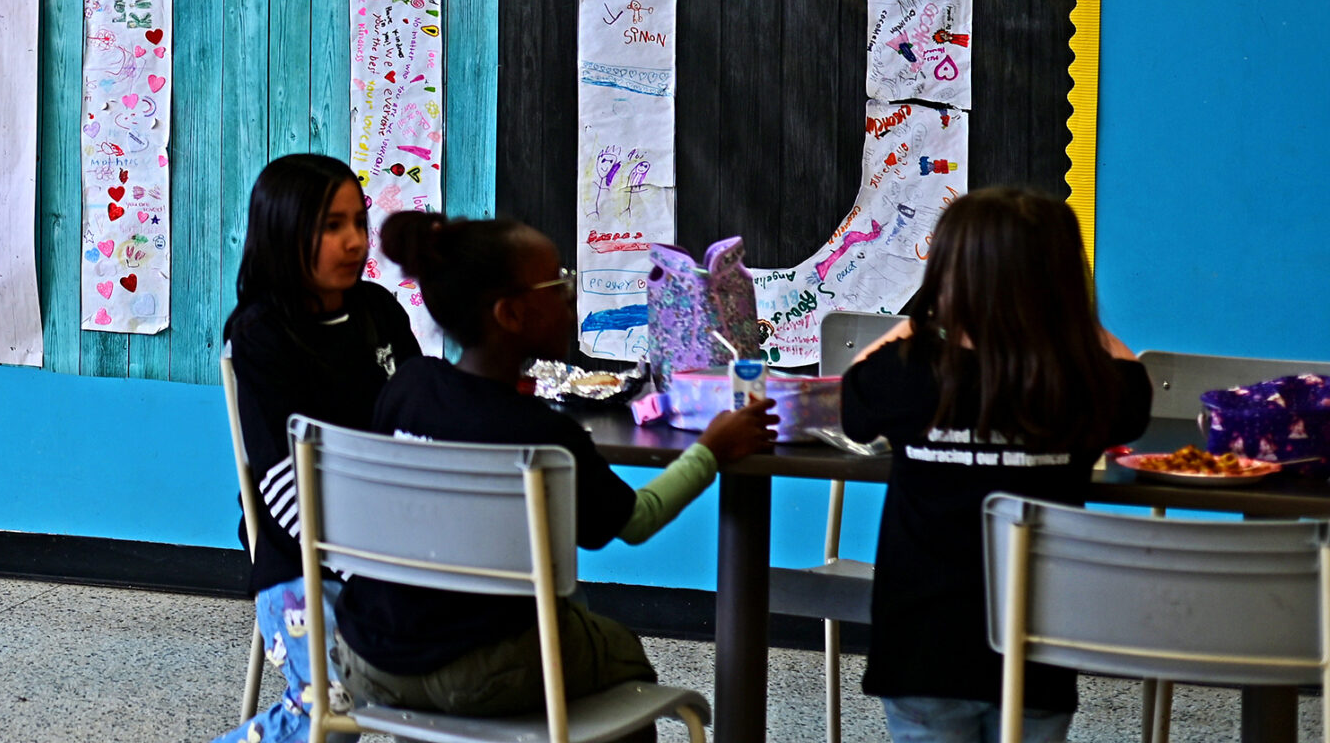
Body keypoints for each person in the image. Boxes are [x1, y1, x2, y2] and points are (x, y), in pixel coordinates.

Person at [330, 212, 777, 722]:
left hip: (369, 658)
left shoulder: (407, 387)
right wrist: (712, 451)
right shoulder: (543, 434)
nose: (571, 296)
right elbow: (636, 520)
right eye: (558, 283)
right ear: (511, 315)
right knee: (623, 657)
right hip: (487, 671)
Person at [842, 188, 1151, 743]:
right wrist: (1071, 326)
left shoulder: (906, 369)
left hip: (921, 646)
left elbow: (854, 406)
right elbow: (1132, 393)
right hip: (1039, 643)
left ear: (946, 271)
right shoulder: (1088, 381)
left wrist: (920, 322)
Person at [216, 154, 422, 743]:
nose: (355, 241)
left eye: (359, 222)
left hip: (393, 546)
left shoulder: (379, 312)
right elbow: (279, 483)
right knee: (328, 719)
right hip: (299, 556)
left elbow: (419, 420)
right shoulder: (260, 335)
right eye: (333, 226)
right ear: (284, 231)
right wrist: (357, 561)